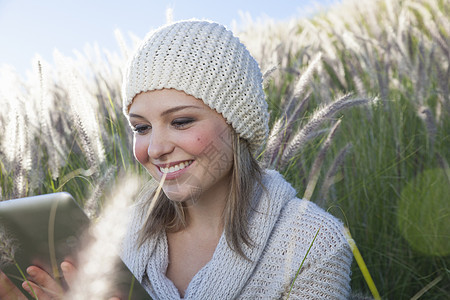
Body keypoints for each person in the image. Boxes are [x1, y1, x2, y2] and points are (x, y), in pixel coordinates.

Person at [0, 19, 352, 299]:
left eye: (180, 121)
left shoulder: (312, 245)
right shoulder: (116, 237)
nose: (154, 149)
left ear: (238, 122)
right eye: (141, 128)